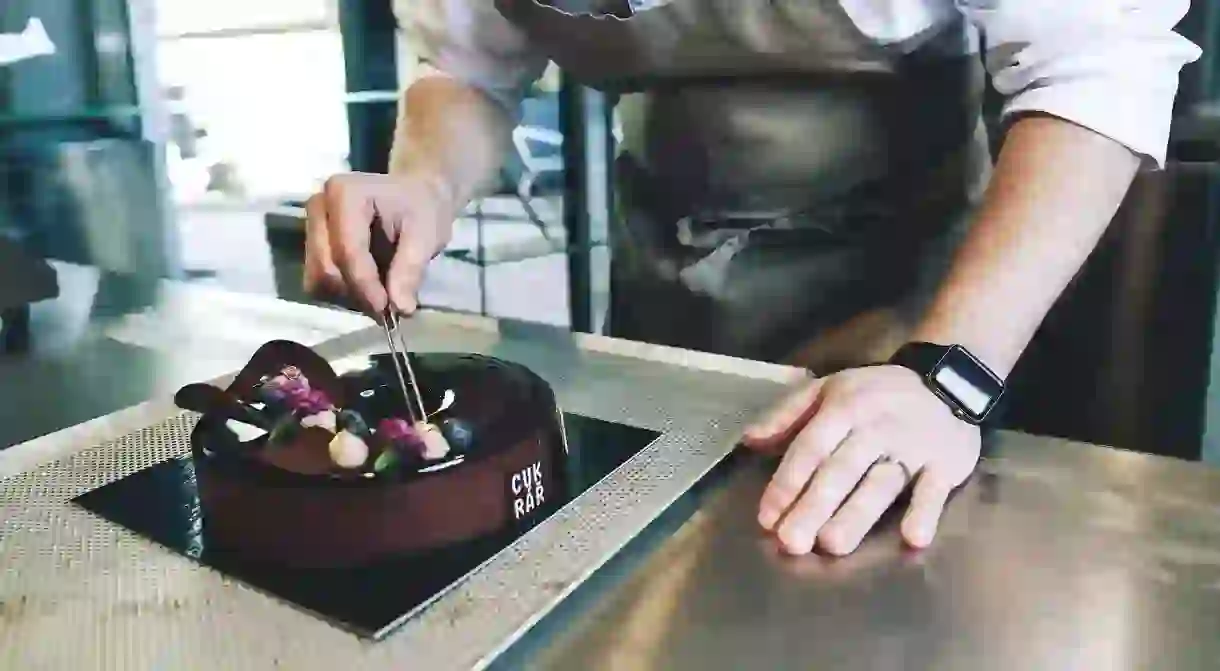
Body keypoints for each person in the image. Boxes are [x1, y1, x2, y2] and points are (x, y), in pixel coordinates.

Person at [304, 0, 1200, 557]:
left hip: (919, 323)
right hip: (664, 305)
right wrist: (423, 180)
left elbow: (1094, 69)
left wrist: (948, 374)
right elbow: (468, 64)